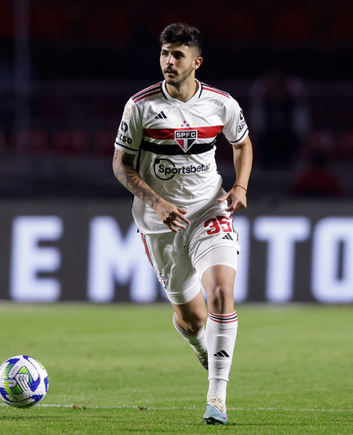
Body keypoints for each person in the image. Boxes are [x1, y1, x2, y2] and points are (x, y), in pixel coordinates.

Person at [112, 23, 252, 425]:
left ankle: (217, 399)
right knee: (192, 320)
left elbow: (241, 144)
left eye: (177, 55)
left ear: (196, 61)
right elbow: (120, 165)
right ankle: (200, 345)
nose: (168, 62)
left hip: (210, 210)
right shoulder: (140, 106)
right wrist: (156, 201)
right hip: (160, 225)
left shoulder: (221, 104)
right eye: (164, 54)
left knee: (222, 296)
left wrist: (240, 185)